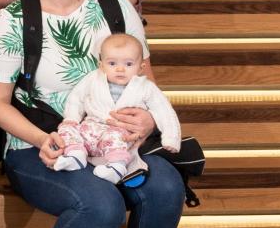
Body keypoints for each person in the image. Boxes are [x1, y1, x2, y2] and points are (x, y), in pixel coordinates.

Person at [0, 0, 183, 228]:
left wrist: (148, 120)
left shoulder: (116, 6)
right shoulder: (14, 19)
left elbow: (147, 84)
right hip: (41, 145)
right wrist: (42, 140)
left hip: (115, 142)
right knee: (102, 206)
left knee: (166, 188)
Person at [49, 34, 182, 183]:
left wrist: (171, 139)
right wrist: (72, 118)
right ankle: (75, 155)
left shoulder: (146, 88)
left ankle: (115, 167)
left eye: (129, 64)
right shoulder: (93, 79)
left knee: (115, 137)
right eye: (112, 63)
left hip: (119, 135)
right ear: (101, 65)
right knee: (66, 129)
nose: (120, 69)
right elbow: (76, 98)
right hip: (90, 129)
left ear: (140, 67)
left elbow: (165, 111)